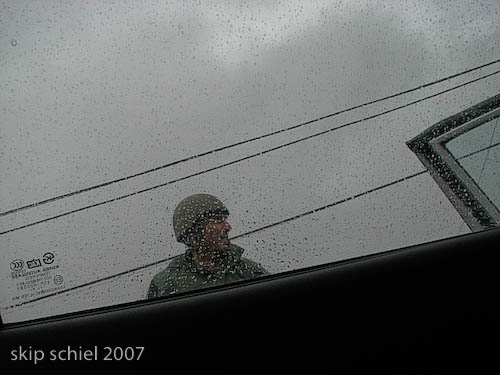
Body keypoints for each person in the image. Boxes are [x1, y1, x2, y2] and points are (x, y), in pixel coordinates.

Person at [147, 194, 268, 298]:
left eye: (225, 220)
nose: (227, 227)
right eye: (217, 220)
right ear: (193, 232)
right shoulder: (166, 283)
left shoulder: (249, 271)